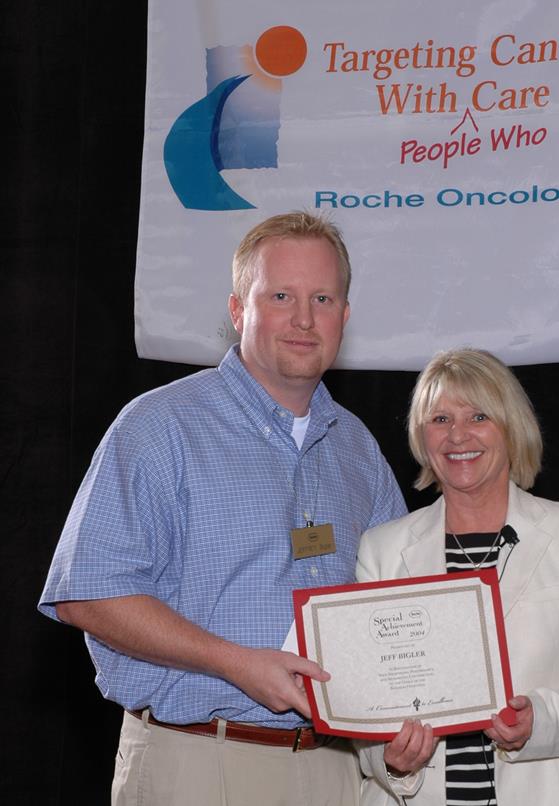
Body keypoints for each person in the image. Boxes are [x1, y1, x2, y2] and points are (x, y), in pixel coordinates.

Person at [38, 211, 407, 806]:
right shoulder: (160, 426)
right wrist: (234, 662)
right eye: (281, 296)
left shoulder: (358, 449)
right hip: (200, 763)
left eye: (322, 298)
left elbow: (396, 603)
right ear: (238, 311)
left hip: (338, 773)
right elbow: (88, 595)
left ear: (344, 316)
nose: (304, 318)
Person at [356, 348, 559, 806]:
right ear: (421, 435)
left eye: (478, 416)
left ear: (512, 426)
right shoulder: (381, 550)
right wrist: (390, 759)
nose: (458, 435)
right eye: (440, 419)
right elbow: (362, 703)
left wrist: (544, 719)